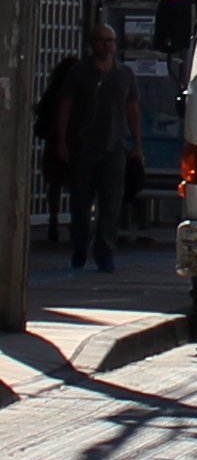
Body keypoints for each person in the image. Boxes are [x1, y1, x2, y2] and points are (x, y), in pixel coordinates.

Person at [43, 20, 139, 273]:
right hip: (83, 147)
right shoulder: (78, 73)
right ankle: (80, 246)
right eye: (101, 41)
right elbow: (65, 107)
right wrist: (62, 142)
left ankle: (105, 251)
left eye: (110, 41)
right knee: (80, 203)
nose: (106, 45)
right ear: (91, 44)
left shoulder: (124, 74)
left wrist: (137, 144)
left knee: (110, 203)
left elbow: (132, 108)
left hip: (114, 148)